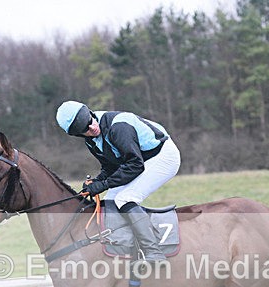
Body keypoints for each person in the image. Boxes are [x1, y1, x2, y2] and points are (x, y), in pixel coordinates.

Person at [55, 101, 181, 264]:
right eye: (85, 129)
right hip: (141, 160)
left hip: (163, 156)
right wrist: (96, 182)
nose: (92, 128)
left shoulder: (118, 127)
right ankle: (124, 249)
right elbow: (110, 166)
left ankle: (154, 253)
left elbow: (135, 165)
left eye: (90, 121)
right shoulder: (91, 141)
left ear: (91, 113)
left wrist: (104, 184)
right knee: (109, 203)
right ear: (79, 134)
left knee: (125, 198)